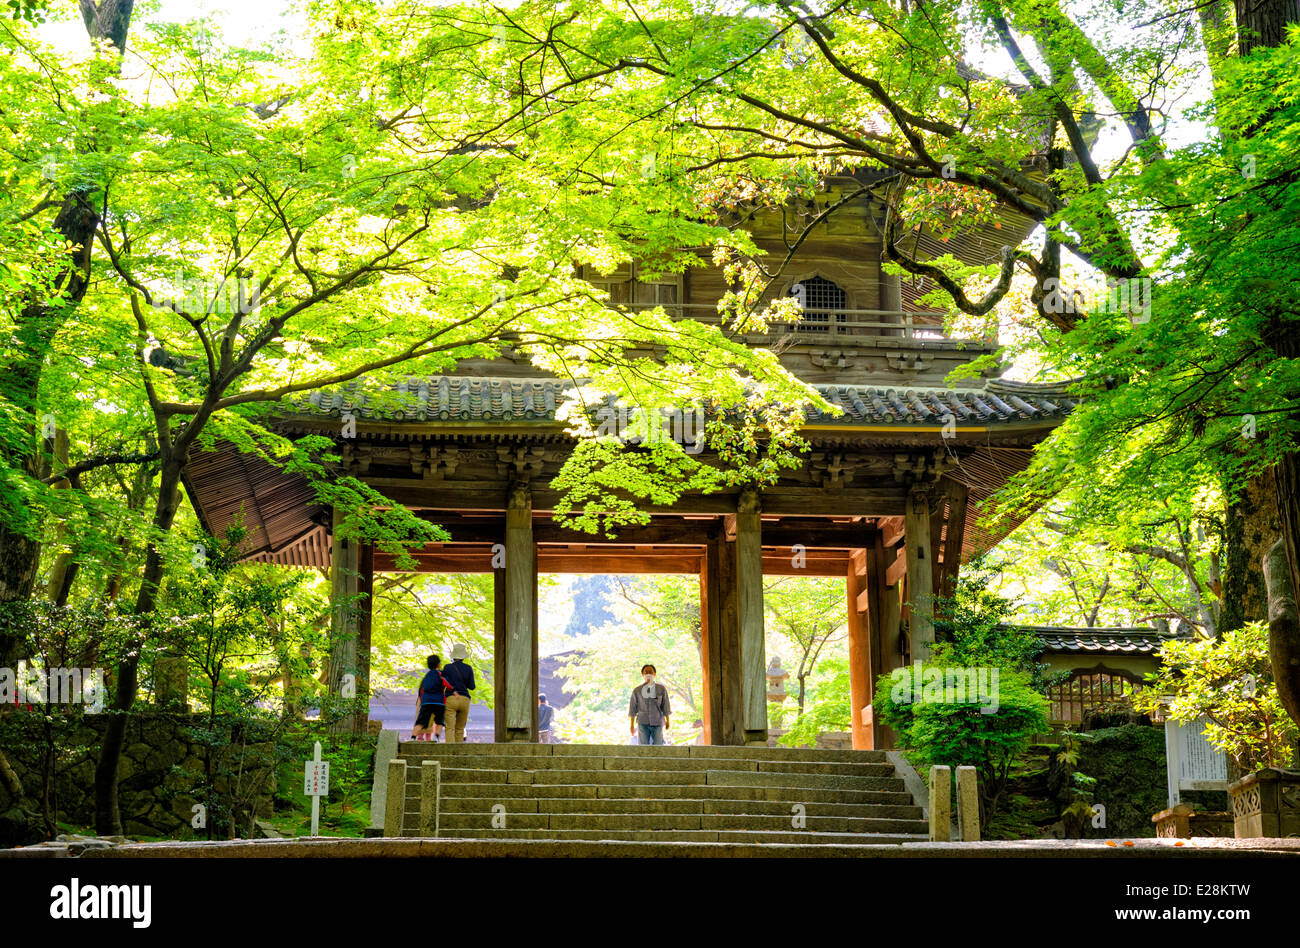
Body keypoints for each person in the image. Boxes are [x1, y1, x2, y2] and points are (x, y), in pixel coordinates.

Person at [628, 663, 671, 746]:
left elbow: (666, 706)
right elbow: (632, 709)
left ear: (654, 674)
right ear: (642, 674)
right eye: (646, 672)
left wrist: (668, 721)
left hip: (658, 722)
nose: (648, 674)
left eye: (650, 672)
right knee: (643, 747)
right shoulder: (637, 690)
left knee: (658, 746)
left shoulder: (661, 689)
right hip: (642, 722)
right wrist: (631, 725)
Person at [441, 644, 476, 744]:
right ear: (463, 657)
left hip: (451, 698)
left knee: (450, 728)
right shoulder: (468, 668)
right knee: (460, 728)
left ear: (454, 656)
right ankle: (458, 751)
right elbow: (472, 686)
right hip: (464, 699)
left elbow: (442, 682)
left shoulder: (447, 667)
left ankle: (450, 753)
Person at [412, 655, 447, 742]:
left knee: (421, 721)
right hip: (438, 701)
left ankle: (412, 737)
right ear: (439, 664)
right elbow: (448, 684)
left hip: (426, 702)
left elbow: (421, 691)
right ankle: (436, 737)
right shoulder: (441, 674)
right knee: (440, 720)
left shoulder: (426, 677)